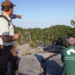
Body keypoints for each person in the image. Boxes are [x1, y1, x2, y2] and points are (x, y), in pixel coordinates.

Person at [0, 0, 21, 75]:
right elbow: (5, 38)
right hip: (3, 47)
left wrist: (18, 16)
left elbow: (12, 16)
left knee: (15, 60)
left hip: (9, 45)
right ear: (10, 9)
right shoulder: (2, 20)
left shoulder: (6, 16)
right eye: (12, 8)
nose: (13, 10)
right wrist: (14, 37)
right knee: (3, 67)